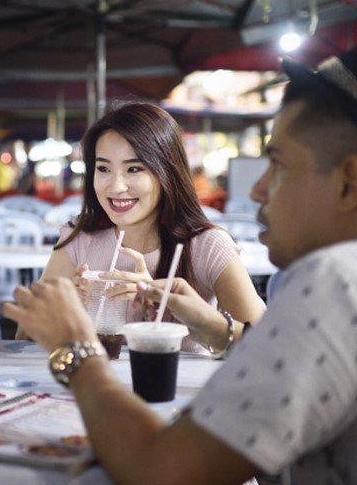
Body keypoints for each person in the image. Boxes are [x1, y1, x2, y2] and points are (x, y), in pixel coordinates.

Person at [4, 26, 357, 485]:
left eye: (276, 163)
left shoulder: (341, 282)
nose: (255, 189)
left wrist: (75, 351)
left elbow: (163, 484)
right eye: (102, 168)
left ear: (351, 181)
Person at [17, 101, 265, 355]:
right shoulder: (79, 239)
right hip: (92, 388)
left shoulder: (207, 245)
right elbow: (23, 341)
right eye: (103, 169)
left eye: (134, 169)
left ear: (167, 171)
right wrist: (64, 311)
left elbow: (265, 347)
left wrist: (175, 307)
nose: (115, 187)